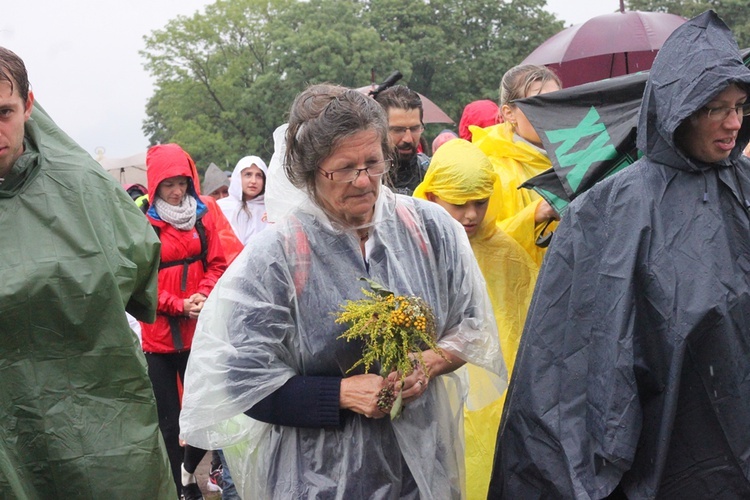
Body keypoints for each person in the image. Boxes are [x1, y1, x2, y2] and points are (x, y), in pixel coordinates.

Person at [179, 83, 507, 499]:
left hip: (422, 468)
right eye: (344, 168)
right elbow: (243, 381)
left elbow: (473, 327)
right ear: (308, 172)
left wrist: (428, 363)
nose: (363, 181)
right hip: (319, 477)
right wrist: (340, 394)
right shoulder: (277, 257)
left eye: (373, 162)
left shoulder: (429, 230)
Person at [489, 11, 750, 499]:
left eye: (740, 105)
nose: (734, 122)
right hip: (660, 444)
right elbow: (571, 366)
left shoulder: (743, 189)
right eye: (717, 108)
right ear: (680, 108)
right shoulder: (610, 209)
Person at [0, 47, 175, 497]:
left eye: (4, 112)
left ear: (28, 106)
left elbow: (140, 263)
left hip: (97, 415)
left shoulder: (79, 184)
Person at [413, 139, 537, 500]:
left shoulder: (505, 251)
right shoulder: (413, 247)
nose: (471, 215)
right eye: (459, 204)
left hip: (497, 394)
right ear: (433, 197)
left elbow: (520, 320)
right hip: (431, 385)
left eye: (480, 203)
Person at [141, 143, 230, 500]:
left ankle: (193, 473)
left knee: (205, 412)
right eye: (168, 185)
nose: (177, 192)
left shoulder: (201, 215)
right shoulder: (144, 225)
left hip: (199, 332)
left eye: (182, 183)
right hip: (159, 340)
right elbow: (140, 285)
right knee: (169, 421)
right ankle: (181, 489)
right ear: (155, 186)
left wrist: (203, 296)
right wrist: (179, 304)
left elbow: (218, 262)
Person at [472, 64, 562, 268]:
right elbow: (480, 244)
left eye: (555, 102)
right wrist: (536, 213)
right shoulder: (489, 167)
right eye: (536, 104)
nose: (548, 113)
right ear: (509, 113)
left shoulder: (578, 154)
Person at [374, 84, 431, 195]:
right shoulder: (365, 178)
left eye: (415, 129)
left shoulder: (431, 174)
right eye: (398, 130)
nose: (408, 139)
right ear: (379, 129)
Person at [217, 155, 270, 245]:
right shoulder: (221, 208)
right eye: (248, 175)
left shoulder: (270, 210)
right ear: (238, 177)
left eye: (259, 176)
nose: (253, 181)